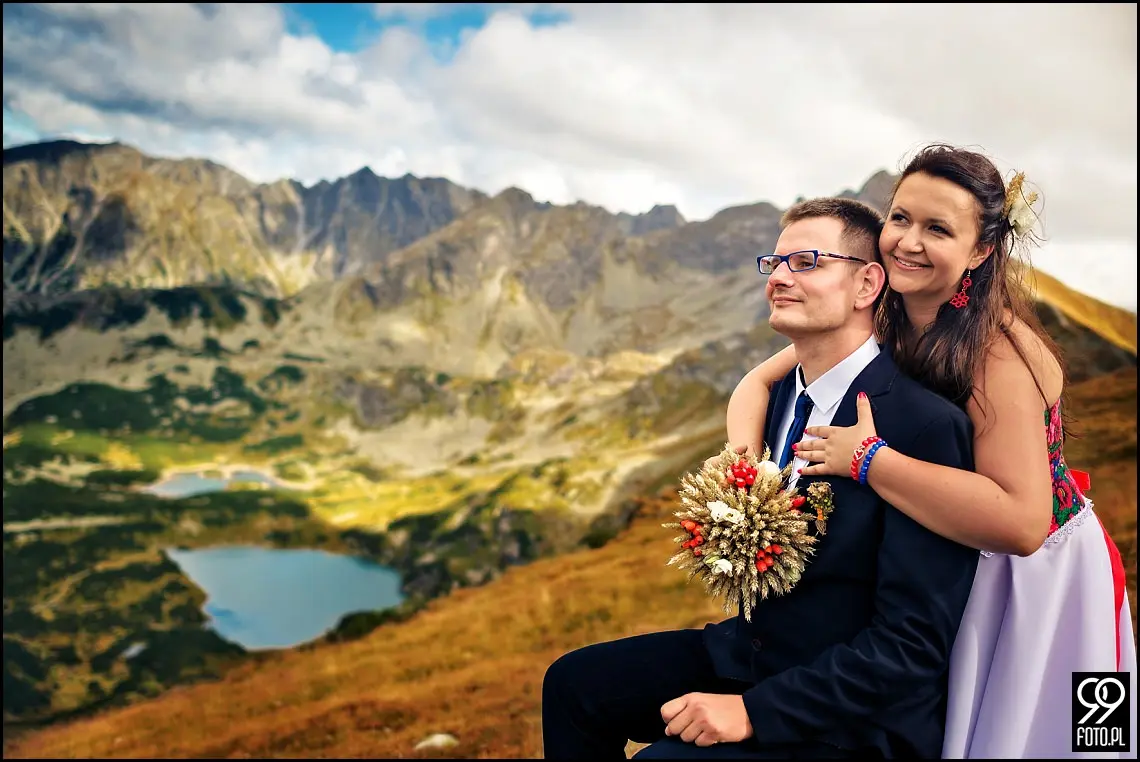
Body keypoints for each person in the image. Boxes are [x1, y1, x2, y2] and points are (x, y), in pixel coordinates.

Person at [722, 143, 1136, 759]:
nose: (908, 242)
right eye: (900, 218)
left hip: (1043, 578)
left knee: (1082, 740)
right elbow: (756, 384)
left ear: (981, 251)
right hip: (947, 552)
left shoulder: (999, 352)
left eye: (937, 228)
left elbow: (1021, 524)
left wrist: (870, 460)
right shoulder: (887, 317)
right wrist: (747, 476)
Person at [542, 197, 981, 759]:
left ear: (868, 284)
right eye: (773, 264)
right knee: (573, 685)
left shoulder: (922, 426)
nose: (779, 278)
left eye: (806, 262)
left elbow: (912, 646)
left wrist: (755, 712)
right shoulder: (776, 397)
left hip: (851, 714)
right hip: (754, 655)